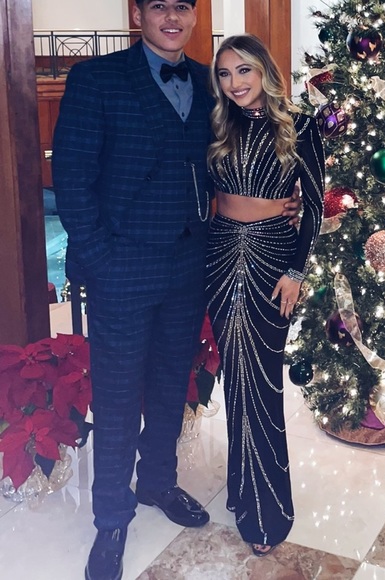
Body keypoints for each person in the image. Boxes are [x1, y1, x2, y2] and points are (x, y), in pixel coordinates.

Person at [52, 3, 299, 579]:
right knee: (118, 396)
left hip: (191, 264)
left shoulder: (209, 81)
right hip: (122, 265)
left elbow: (247, 150)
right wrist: (100, 257)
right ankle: (111, 519)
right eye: (158, 4)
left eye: (181, 5)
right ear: (138, 12)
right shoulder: (96, 78)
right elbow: (72, 177)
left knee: (170, 385)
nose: (171, 16)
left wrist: (279, 203)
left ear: (192, 15)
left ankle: (158, 483)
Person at [206, 34, 325, 556]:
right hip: (218, 259)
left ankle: (267, 512)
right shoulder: (217, 124)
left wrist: (296, 272)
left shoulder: (301, 127)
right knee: (235, 379)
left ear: (264, 71)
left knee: (263, 381)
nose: (235, 83)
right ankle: (241, 487)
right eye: (225, 73)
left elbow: (314, 208)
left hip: (273, 263)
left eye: (244, 70)